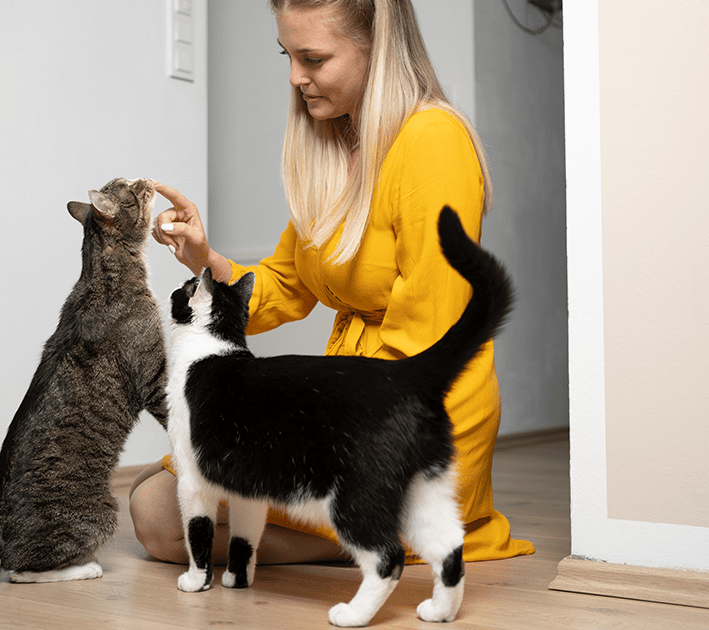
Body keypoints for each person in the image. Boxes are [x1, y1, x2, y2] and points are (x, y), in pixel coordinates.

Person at [128, 0, 534, 566]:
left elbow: (428, 338)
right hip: (356, 398)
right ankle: (369, 536)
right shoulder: (334, 146)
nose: (296, 78)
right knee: (164, 490)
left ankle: (379, 526)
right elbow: (281, 287)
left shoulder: (432, 142)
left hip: (409, 411)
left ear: (378, 48)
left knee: (159, 506)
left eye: (313, 58)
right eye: (288, 56)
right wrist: (203, 255)